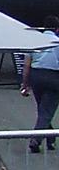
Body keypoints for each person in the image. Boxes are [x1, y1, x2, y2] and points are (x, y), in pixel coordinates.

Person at [23, 19, 59, 152]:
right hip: (54, 78)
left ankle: (51, 138)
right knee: (47, 111)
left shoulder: (33, 42)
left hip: (36, 76)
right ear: (57, 29)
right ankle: (35, 140)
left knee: (43, 109)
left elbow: (26, 65)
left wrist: (25, 84)